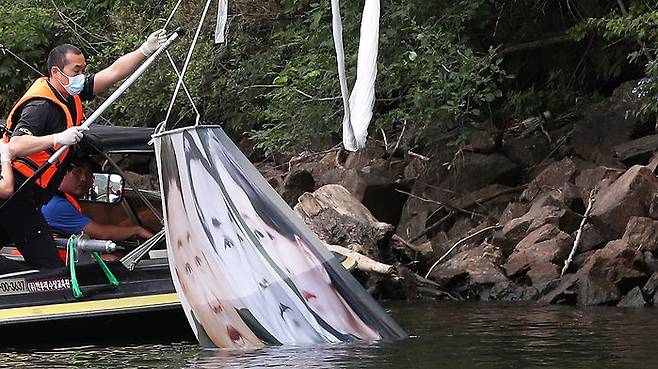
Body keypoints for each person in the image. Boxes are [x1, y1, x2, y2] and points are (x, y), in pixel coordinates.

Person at [0, 30, 167, 269]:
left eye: (83, 70)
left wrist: (145, 50)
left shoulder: (70, 93)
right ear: (56, 73)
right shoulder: (41, 106)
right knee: (48, 264)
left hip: (29, 197)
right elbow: (15, 145)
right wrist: (58, 137)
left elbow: (113, 72)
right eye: (76, 71)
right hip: (18, 195)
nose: (81, 76)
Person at [41, 154, 153, 241]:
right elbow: (102, 233)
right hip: (56, 267)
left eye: (89, 174)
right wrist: (137, 230)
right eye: (77, 172)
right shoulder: (57, 205)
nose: (84, 179)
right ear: (61, 173)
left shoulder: (50, 198)